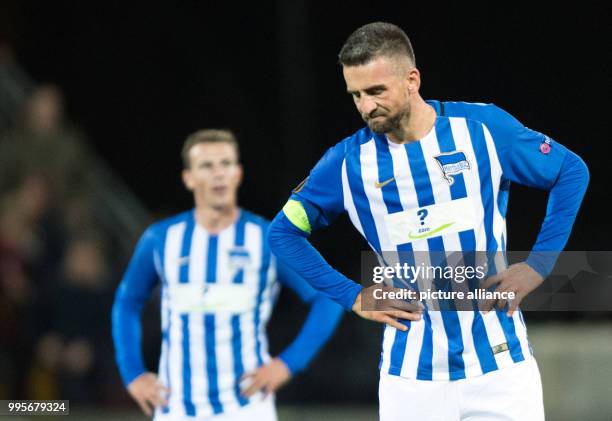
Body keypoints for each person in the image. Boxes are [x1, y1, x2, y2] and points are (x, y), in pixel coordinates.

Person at [268, 22, 589, 420]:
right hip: (411, 382)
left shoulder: (483, 130)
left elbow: (570, 171)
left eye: (376, 91)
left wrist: (539, 265)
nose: (366, 106)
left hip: (502, 370)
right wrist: (351, 295)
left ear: (411, 80)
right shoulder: (347, 163)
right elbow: (283, 233)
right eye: (356, 95)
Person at [112, 129, 343, 420]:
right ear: (188, 178)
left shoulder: (267, 239)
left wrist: (288, 364)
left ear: (238, 173)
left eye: (226, 164)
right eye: (207, 166)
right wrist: (133, 373)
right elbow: (127, 302)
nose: (218, 174)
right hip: (176, 408)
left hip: (247, 408)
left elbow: (328, 297)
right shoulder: (160, 239)